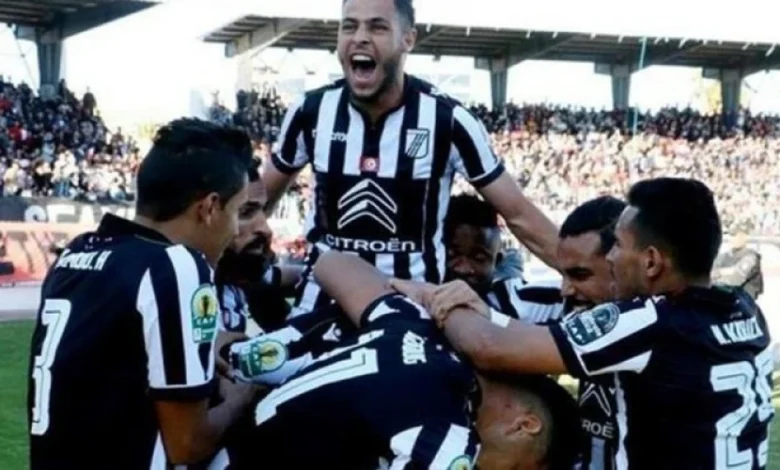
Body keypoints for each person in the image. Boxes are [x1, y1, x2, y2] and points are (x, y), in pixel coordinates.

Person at [394, 178, 775, 470]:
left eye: (618, 246)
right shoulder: (743, 310)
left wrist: (437, 297)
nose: (611, 257)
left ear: (651, 261)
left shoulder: (649, 321)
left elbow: (489, 346)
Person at [262, 0, 559, 316]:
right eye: (349, 26)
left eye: (377, 27)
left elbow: (520, 216)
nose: (360, 37)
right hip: (315, 312)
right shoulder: (309, 112)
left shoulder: (449, 120)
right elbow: (257, 203)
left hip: (411, 315)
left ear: (408, 39)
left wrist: (585, 275)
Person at [27, 119, 259, 469]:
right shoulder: (177, 265)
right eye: (238, 211)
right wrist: (243, 395)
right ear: (210, 208)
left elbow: (114, 360)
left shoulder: (75, 254)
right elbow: (187, 444)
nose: (237, 229)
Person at [226, 250, 581, 470]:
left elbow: (331, 262)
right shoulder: (447, 442)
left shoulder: (417, 320)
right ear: (524, 426)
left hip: (222, 403)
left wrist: (414, 290)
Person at [444, 194, 563, 324]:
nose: (463, 269)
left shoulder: (516, 302)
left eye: (478, 258)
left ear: (497, 262)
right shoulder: (424, 299)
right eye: (451, 255)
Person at [216, 161, 302, 336]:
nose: (265, 229)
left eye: (263, 211)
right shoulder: (177, 287)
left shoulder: (237, 271)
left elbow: (294, 275)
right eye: (245, 212)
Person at [712, 231, 763, 300]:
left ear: (745, 238)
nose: (735, 239)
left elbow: (736, 279)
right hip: (726, 295)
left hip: (744, 297)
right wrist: (722, 272)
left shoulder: (750, 256)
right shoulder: (725, 255)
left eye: (739, 236)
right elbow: (711, 273)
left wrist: (719, 274)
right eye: (733, 236)